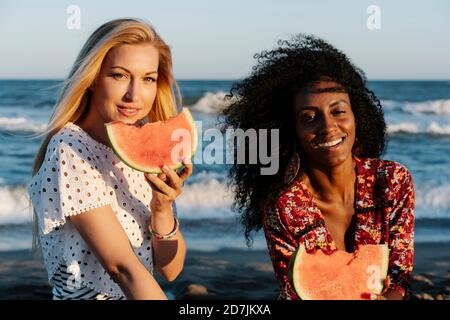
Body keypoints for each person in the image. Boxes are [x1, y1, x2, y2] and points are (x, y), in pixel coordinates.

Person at [221, 35, 415, 300]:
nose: (327, 127)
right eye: (309, 118)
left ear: (357, 116)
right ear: (293, 131)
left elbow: (400, 279)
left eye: (338, 111)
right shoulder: (283, 206)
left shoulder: (392, 181)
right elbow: (296, 293)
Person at [27, 18, 192, 300]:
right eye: (119, 75)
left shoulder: (143, 155)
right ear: (91, 78)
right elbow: (122, 268)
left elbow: (170, 270)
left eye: (148, 79)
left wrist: (162, 208)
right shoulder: (70, 148)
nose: (134, 95)